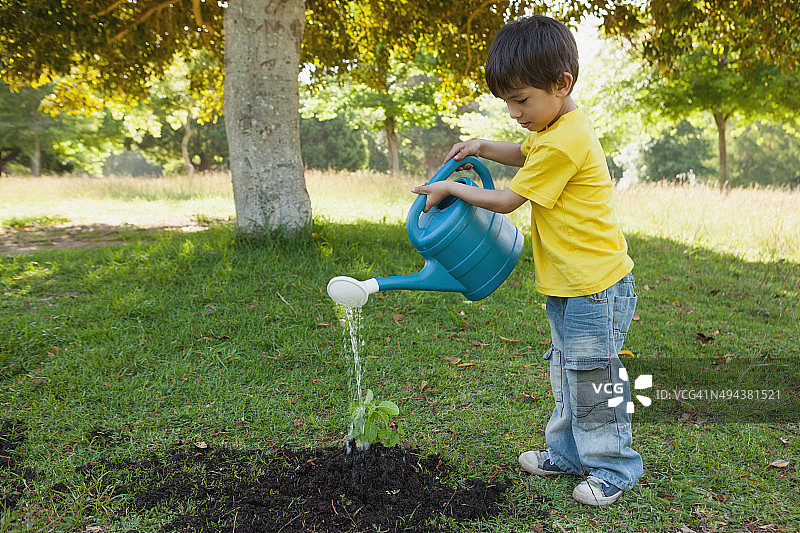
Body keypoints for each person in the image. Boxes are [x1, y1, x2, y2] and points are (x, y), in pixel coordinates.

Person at [411, 14, 642, 506]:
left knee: (590, 377)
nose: (515, 112)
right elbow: (523, 152)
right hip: (570, 281)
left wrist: (453, 187)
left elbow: (508, 200)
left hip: (593, 286)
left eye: (520, 100)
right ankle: (568, 454)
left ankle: (614, 468)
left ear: (562, 84)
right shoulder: (556, 125)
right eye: (508, 102)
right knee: (566, 371)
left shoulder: (564, 140)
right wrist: (481, 146)